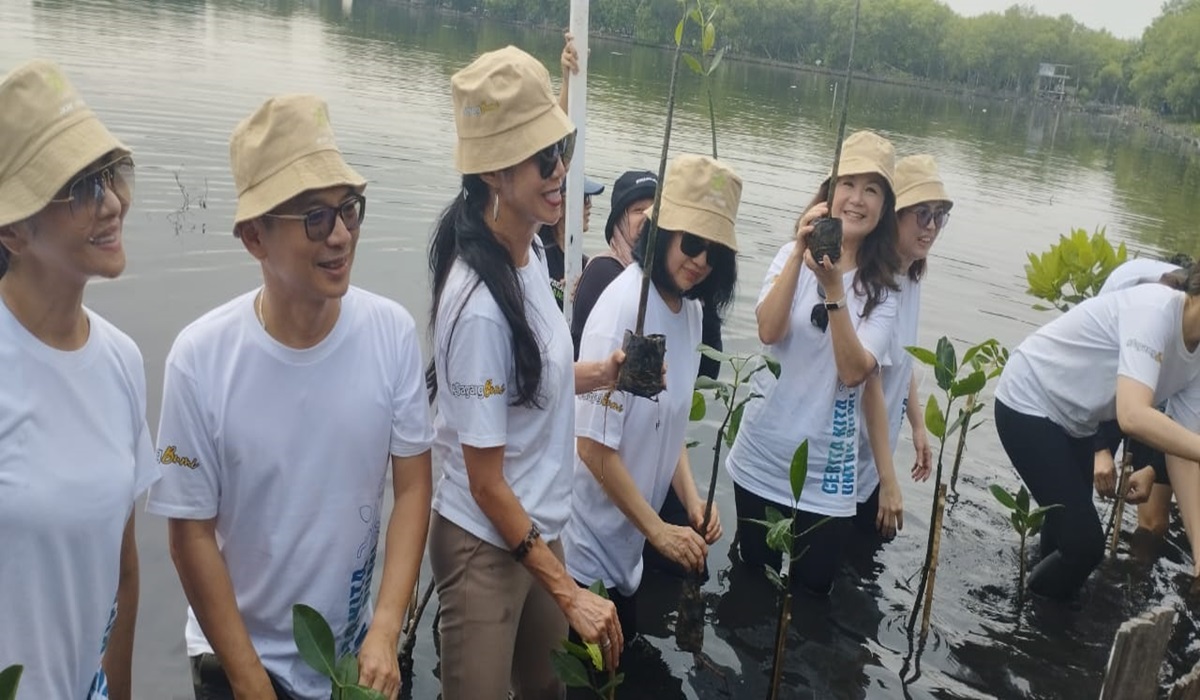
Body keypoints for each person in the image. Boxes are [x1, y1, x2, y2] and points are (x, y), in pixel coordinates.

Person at [145, 94, 433, 700]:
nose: (341, 235)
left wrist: (384, 628)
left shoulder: (391, 334)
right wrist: (251, 682)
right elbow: (189, 534)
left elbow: (411, 487)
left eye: (349, 210)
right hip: (236, 653)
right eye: (314, 218)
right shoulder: (200, 361)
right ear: (254, 238)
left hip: (350, 652)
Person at [428, 45, 622, 700]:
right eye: (543, 160)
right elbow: (485, 483)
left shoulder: (529, 250)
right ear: (491, 174)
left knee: (548, 692)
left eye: (559, 152)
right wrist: (571, 594)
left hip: (540, 527)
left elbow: (532, 379)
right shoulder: (479, 306)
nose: (560, 171)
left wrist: (599, 375)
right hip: (485, 540)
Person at [0, 58, 158, 700]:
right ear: (12, 229)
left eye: (110, 178)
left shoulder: (121, 361)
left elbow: (121, 569)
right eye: (82, 188)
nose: (114, 203)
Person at [564, 153, 739, 645]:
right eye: (692, 242)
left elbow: (669, 426)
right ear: (662, 232)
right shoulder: (625, 307)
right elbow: (592, 448)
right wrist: (660, 531)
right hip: (584, 551)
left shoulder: (691, 314)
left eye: (715, 252)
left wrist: (691, 500)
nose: (701, 260)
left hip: (629, 549)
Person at [725, 130, 905, 596]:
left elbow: (853, 372)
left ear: (884, 208)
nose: (856, 199)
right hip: (762, 457)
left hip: (830, 473)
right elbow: (768, 330)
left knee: (811, 600)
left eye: (872, 190)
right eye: (847, 184)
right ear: (829, 192)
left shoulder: (882, 293)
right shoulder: (790, 256)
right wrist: (799, 256)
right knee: (750, 590)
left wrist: (833, 290)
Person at [994, 265, 1200, 601]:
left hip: (1076, 422)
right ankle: (1026, 613)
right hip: (1029, 399)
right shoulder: (1155, 311)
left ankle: (1040, 622)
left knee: (1062, 534)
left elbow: (1183, 452)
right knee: (1085, 545)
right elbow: (1132, 415)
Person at [853, 155, 947, 538]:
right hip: (854, 457)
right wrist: (889, 482)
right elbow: (868, 382)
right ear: (894, 216)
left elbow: (900, 361)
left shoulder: (911, 276)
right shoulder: (875, 284)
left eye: (939, 216)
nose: (931, 227)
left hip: (876, 458)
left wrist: (918, 426)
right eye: (921, 214)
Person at [1092, 255, 1193, 537]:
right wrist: (1100, 450)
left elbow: (1184, 424)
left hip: (1160, 409)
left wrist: (1152, 468)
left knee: (1153, 523)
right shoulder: (1136, 297)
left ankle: (1135, 570)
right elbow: (1100, 382)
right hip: (1113, 391)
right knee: (1080, 488)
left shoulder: (1189, 337)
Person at [538, 176, 603, 310]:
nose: (590, 205)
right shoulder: (537, 255)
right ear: (558, 204)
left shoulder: (586, 267)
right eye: (584, 198)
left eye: (589, 199)